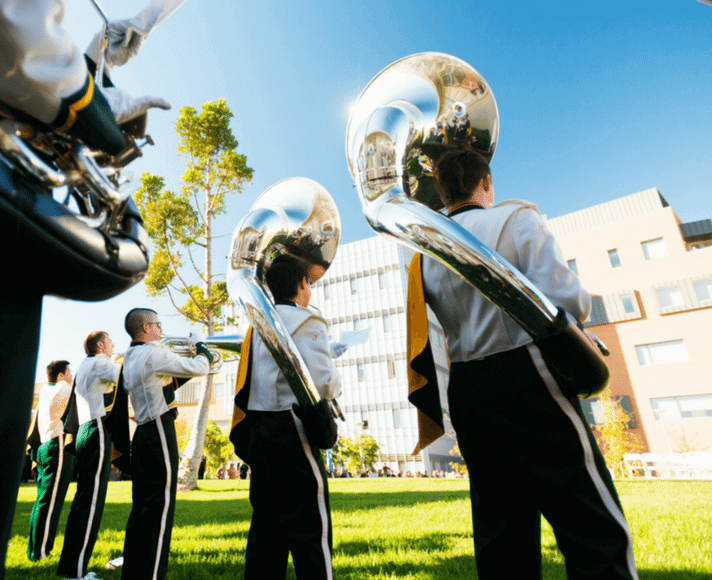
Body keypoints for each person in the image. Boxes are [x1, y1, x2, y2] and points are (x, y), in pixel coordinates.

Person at [407, 144, 639, 580]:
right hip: (527, 371)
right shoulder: (515, 218)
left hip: (468, 386)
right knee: (590, 521)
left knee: (501, 531)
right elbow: (568, 300)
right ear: (487, 182)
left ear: (439, 191)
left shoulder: (424, 254)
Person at [0, 5, 169, 577]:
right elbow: (20, 35)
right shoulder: (102, 365)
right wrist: (95, 111)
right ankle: (67, 567)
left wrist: (95, 63)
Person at [229, 254, 341, 580]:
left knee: (266, 531)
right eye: (309, 282)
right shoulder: (307, 321)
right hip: (294, 429)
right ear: (301, 284)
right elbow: (324, 382)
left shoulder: (257, 325)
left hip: (260, 432)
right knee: (311, 530)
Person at [120, 308, 212, 580]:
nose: (161, 330)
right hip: (160, 431)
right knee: (160, 511)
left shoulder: (129, 357)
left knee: (142, 509)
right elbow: (201, 367)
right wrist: (200, 346)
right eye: (158, 325)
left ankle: (134, 573)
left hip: (143, 433)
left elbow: (162, 384)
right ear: (147, 328)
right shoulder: (155, 352)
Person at [57, 331, 127, 580]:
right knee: (92, 504)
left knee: (83, 502)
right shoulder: (99, 362)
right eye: (110, 342)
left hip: (86, 430)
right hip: (97, 430)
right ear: (100, 345)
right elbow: (127, 376)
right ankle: (76, 574)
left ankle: (71, 569)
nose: (113, 346)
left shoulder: (85, 365)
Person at [26, 360, 74, 561]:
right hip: (57, 446)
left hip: (43, 447)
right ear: (61, 375)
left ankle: (33, 550)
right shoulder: (63, 387)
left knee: (42, 500)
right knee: (51, 502)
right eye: (69, 371)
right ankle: (41, 552)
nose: (71, 375)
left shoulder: (45, 390)